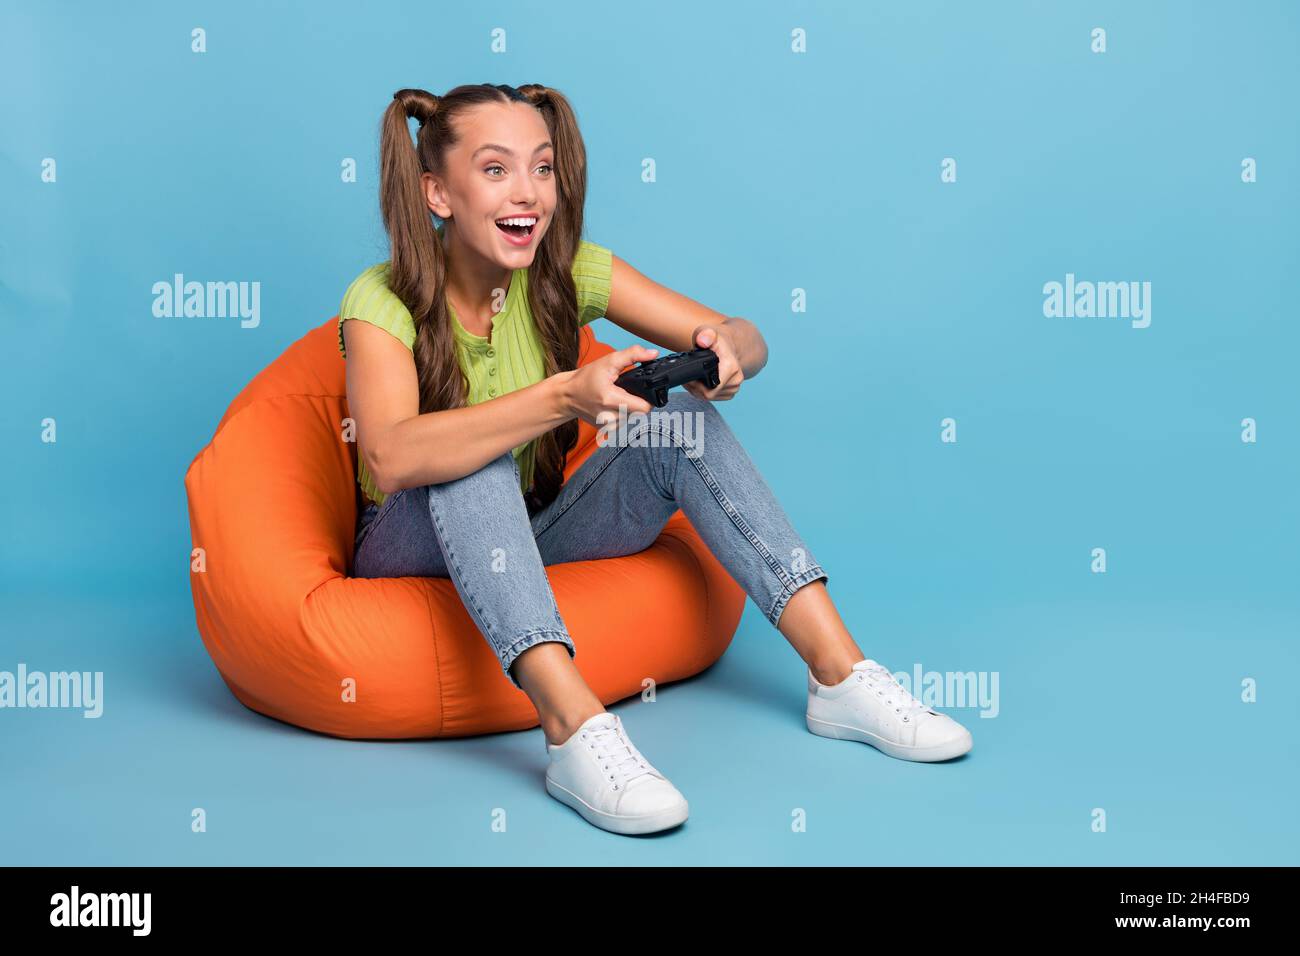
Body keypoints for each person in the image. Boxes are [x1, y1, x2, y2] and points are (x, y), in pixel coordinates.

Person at [340, 83, 973, 836]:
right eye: (496, 169)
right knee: (468, 454)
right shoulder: (381, 300)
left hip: (526, 535)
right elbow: (391, 452)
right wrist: (563, 397)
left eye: (542, 169)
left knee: (677, 416)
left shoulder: (565, 271)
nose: (529, 193)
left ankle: (840, 675)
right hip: (409, 546)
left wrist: (730, 349)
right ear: (437, 193)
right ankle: (575, 731)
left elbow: (742, 332)